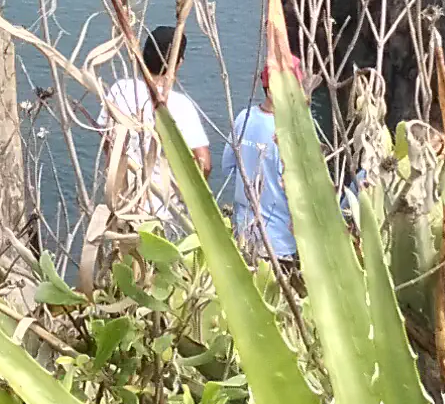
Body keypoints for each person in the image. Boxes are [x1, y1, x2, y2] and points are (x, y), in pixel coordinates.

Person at [93, 25, 210, 243]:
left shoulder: (120, 89)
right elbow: (204, 163)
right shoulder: (180, 107)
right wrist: (187, 196)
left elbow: (107, 139)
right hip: (163, 209)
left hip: (122, 203)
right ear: (179, 62)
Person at [228, 67, 295, 267]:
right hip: (282, 244)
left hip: (244, 235)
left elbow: (229, 165)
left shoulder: (243, 117)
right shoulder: (290, 131)